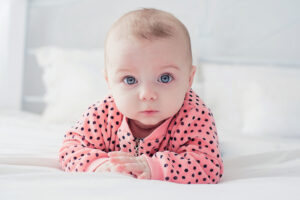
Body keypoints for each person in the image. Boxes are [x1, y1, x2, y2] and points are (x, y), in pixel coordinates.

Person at [58, 8, 223, 184]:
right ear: (109, 82)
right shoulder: (102, 114)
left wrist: (154, 167)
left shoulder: (194, 115)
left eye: (165, 78)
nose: (147, 94)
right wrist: (99, 164)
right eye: (130, 79)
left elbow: (208, 165)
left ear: (189, 79)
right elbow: (70, 148)